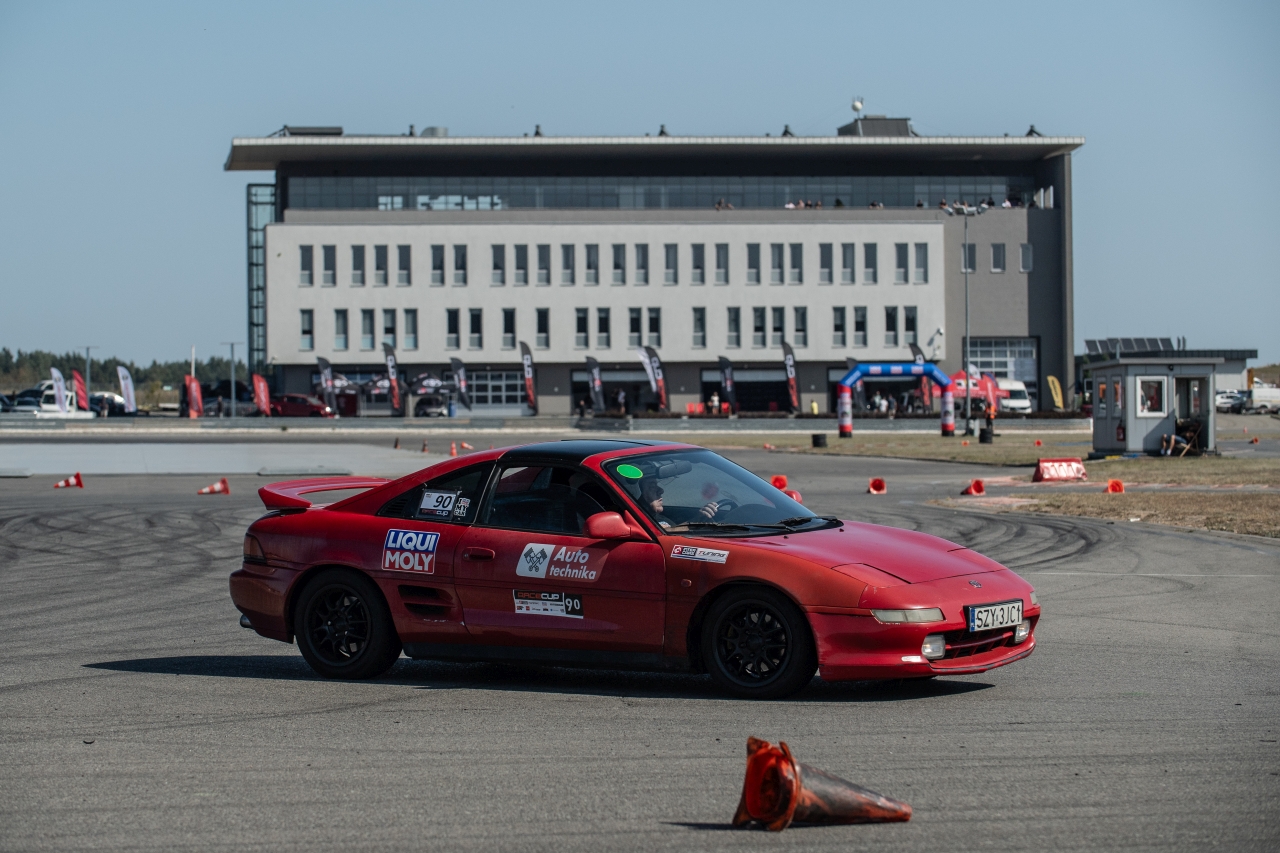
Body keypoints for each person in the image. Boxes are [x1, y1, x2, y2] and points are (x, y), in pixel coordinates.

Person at [639, 479, 717, 527]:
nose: (661, 490)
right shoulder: (641, 524)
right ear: (638, 493)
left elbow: (673, 531)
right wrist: (696, 520)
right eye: (652, 486)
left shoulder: (657, 517)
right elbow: (669, 535)